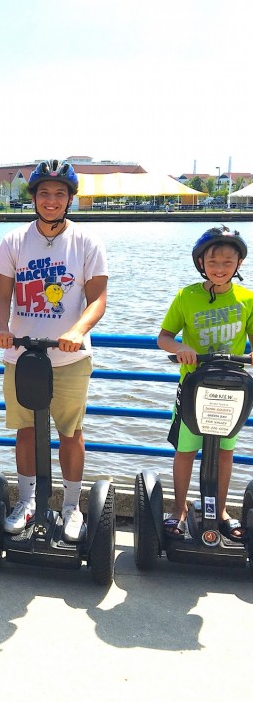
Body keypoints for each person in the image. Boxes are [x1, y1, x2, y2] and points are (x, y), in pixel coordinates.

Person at [0, 159, 108, 543]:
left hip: (70, 357)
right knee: (25, 431)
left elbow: (98, 301)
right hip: (22, 356)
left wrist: (76, 330)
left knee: (71, 433)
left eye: (59, 193)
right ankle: (26, 501)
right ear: (35, 198)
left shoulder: (87, 242)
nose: (51, 200)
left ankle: (72, 506)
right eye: (44, 193)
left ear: (70, 199)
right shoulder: (13, 241)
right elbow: (1, 298)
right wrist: (2, 329)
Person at [157, 225, 253, 540]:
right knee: (185, 450)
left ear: (239, 264)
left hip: (231, 388)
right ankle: (179, 509)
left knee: (226, 451)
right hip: (194, 387)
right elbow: (164, 337)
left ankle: (222, 509)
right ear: (201, 263)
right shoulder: (186, 296)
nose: (220, 269)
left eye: (228, 262)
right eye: (213, 262)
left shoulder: (247, 298)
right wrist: (181, 349)